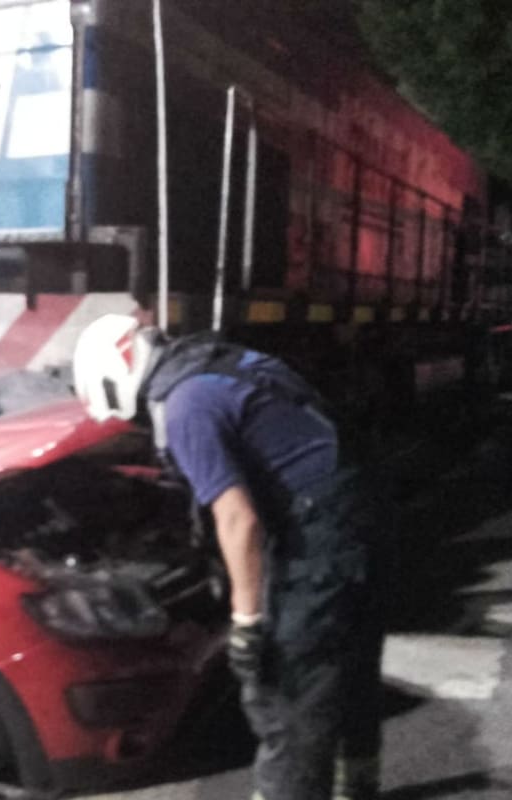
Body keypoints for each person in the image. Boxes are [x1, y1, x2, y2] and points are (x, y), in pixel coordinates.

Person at [71, 314, 389, 800]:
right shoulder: (219, 363)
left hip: (318, 537)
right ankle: (358, 784)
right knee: (350, 667)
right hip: (360, 511)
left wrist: (247, 621)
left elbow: (239, 520)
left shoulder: (184, 407)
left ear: (118, 377)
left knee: (287, 690)